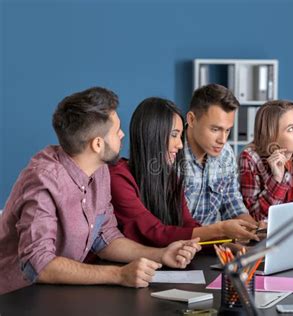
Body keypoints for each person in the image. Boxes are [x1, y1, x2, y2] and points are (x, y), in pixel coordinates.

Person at [0, 87, 200, 295]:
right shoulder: (43, 179)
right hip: (16, 297)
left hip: (58, 293)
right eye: (116, 131)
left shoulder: (101, 170)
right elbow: (38, 265)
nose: (122, 134)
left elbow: (105, 238)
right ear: (97, 144)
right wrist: (119, 275)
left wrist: (161, 254)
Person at [109, 97, 260, 247]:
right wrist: (218, 229)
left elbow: (188, 225)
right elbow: (154, 232)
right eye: (174, 135)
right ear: (152, 135)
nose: (180, 145)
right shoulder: (119, 177)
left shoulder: (170, 176)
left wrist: (220, 246)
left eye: (180, 136)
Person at [182, 84, 260, 231]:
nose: (223, 140)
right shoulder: (171, 153)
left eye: (227, 130)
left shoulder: (226, 154)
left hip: (214, 245)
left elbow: (232, 202)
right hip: (177, 246)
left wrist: (254, 228)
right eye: (215, 129)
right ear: (192, 120)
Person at [239, 100, 293, 221]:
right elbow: (255, 218)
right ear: (271, 135)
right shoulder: (250, 158)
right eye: (291, 129)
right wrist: (277, 179)